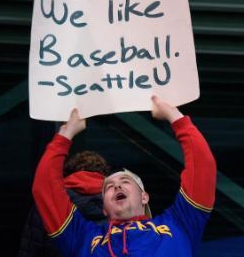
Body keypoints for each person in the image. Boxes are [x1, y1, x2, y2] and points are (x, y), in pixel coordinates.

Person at [32, 95, 217, 256]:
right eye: (109, 187)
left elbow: (203, 168)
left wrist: (174, 116)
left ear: (144, 197)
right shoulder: (82, 237)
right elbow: (44, 188)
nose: (117, 186)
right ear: (104, 207)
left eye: (125, 181)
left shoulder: (179, 223)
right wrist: (65, 135)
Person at [19, 151, 110, 257]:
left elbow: (31, 246)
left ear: (68, 172)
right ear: (103, 174)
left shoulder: (49, 199)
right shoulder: (120, 202)